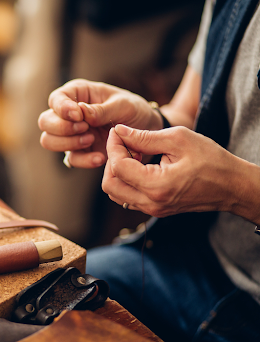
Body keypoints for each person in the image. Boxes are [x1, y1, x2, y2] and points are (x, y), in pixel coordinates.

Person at [38, 0, 260, 341]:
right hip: (200, 263)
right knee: (37, 299)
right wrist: (153, 124)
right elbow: (190, 110)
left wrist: (236, 188)